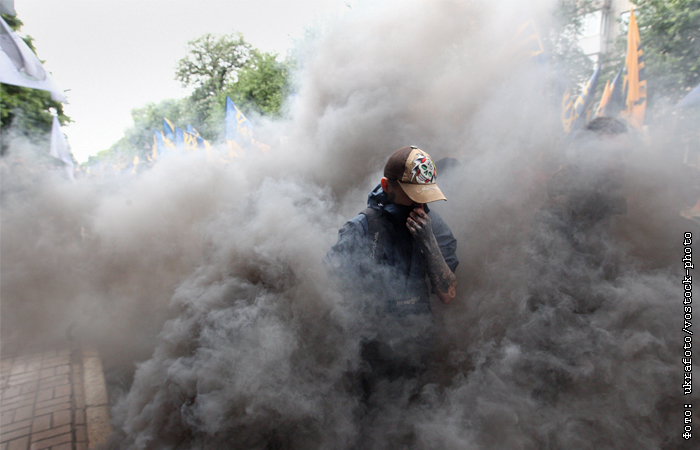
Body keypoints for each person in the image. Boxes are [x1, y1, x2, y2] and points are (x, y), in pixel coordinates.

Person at [325, 146, 459, 412]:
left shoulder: (432, 225)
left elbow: (448, 293)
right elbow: (332, 298)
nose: (420, 206)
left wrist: (428, 242)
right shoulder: (362, 228)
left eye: (425, 198)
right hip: (370, 359)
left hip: (418, 350)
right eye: (413, 197)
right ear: (388, 187)